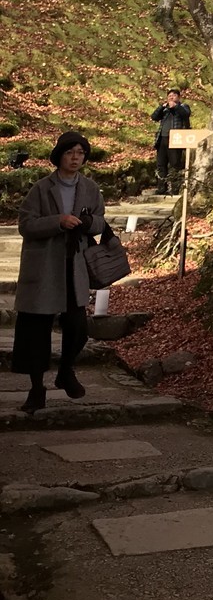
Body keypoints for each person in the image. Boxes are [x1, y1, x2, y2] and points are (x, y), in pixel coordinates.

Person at [12, 131, 105, 414]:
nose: (75, 158)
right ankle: (36, 388)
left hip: (74, 264)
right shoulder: (41, 188)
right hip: (43, 267)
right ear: (59, 156)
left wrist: (88, 222)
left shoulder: (90, 188)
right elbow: (26, 224)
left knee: (77, 327)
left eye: (80, 153)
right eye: (70, 153)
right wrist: (58, 221)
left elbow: (101, 222)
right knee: (35, 330)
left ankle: (66, 371)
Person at [150, 88, 190, 194]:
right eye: (169, 96)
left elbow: (186, 115)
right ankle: (161, 187)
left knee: (175, 164)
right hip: (162, 138)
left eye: (174, 95)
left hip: (175, 139)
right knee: (161, 164)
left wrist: (175, 107)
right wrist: (161, 107)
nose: (171, 97)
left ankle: (174, 188)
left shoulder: (183, 107)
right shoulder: (165, 109)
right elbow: (154, 117)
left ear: (178, 97)